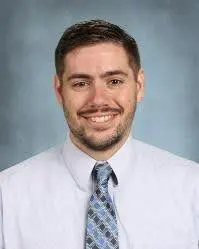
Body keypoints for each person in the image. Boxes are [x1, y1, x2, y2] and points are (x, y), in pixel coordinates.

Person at [0, 19, 199, 249]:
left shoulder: (193, 189)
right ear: (59, 91)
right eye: (81, 83)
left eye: (114, 81)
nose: (98, 100)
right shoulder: (7, 197)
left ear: (139, 85)